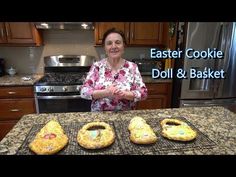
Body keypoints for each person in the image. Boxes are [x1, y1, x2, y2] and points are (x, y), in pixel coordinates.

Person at [80, 28, 148, 111]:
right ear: (105, 48)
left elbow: (143, 93)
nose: (114, 46)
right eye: (109, 43)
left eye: (118, 42)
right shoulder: (97, 66)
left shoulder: (132, 67)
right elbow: (84, 92)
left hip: (126, 117)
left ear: (124, 46)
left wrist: (124, 94)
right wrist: (106, 92)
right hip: (99, 117)